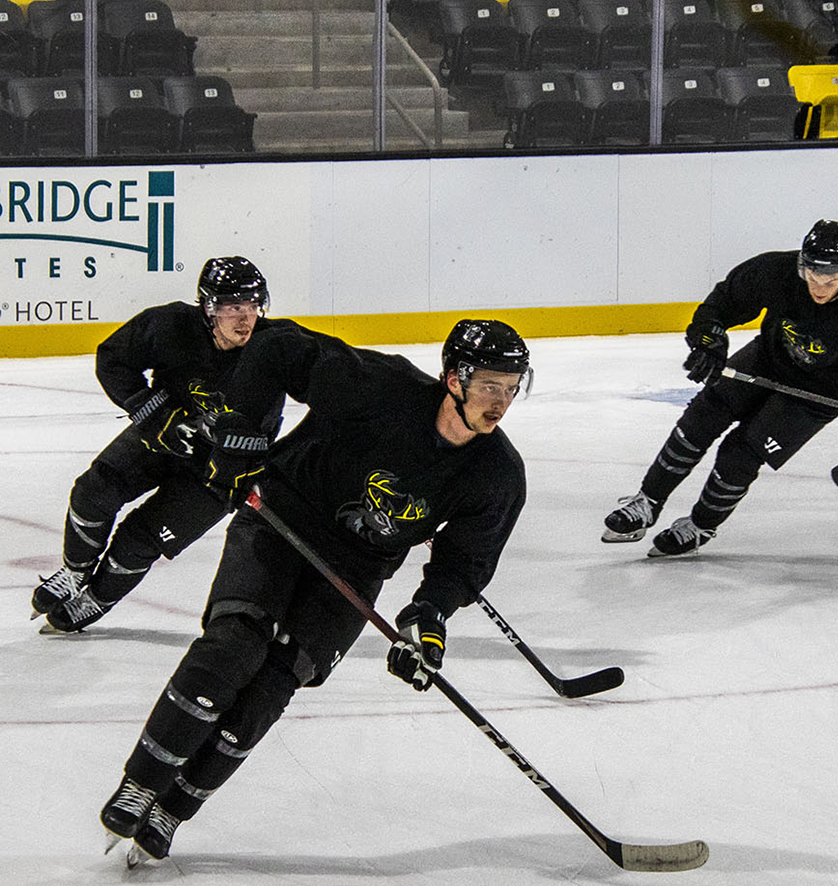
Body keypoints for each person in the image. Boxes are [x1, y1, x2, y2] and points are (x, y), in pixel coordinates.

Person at [96, 319, 530, 865]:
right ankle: (143, 782)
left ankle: (173, 810)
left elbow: (464, 561)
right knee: (235, 645)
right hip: (281, 516)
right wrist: (242, 434)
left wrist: (429, 616)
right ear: (453, 378)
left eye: (513, 386)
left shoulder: (498, 474)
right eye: (491, 384)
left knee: (276, 682)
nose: (502, 401)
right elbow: (277, 346)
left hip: (355, 567)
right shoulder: (379, 386)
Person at [601, 219, 838, 557]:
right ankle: (647, 502)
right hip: (767, 359)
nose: (820, 288)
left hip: (819, 391)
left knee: (740, 454)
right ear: (802, 265)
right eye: (812, 276)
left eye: (831, 279)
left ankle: (700, 525)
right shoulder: (777, 272)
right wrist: (709, 340)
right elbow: (724, 301)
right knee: (703, 416)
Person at [31, 257, 299, 633]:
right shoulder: (171, 326)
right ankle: (75, 572)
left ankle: (95, 600)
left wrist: (267, 461)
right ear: (208, 308)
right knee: (94, 491)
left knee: (139, 541)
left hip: (220, 471)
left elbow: (334, 385)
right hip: (163, 438)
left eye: (253, 306)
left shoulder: (278, 346)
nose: (245, 319)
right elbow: (113, 358)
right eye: (233, 307)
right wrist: (153, 414)